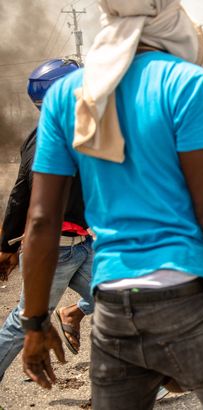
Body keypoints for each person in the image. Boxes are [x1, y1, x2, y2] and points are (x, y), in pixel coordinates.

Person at [19, 2, 203, 409]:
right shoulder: (187, 83)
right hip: (196, 304)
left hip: (114, 311)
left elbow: (40, 222)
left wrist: (35, 322)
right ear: (165, 13)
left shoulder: (65, 97)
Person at [0, 58, 95, 383]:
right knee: (25, 321)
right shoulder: (46, 138)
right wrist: (6, 245)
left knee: (126, 299)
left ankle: (145, 384)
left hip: (82, 245)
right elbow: (21, 193)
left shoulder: (77, 132)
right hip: (55, 250)